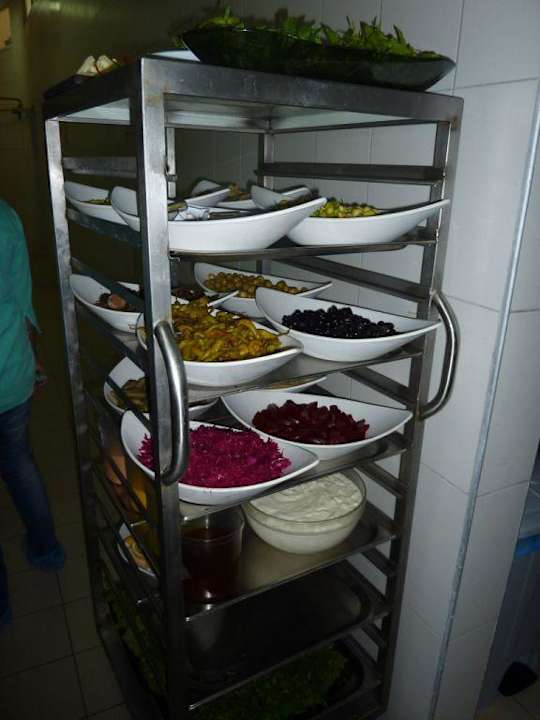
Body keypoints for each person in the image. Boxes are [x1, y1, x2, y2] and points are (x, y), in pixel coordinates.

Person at [0, 199, 65, 628]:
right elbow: (23, 303)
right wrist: (33, 359)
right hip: (9, 369)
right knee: (18, 460)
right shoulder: (5, 216)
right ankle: (46, 549)